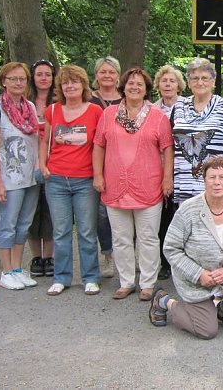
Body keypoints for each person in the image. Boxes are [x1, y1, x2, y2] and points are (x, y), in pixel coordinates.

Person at [149, 157, 223, 339]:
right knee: (207, 331)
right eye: (212, 177)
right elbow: (171, 248)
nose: (217, 182)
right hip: (194, 279)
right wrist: (198, 274)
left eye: (222, 177)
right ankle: (164, 301)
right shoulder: (188, 210)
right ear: (204, 181)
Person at [93, 68, 174, 301]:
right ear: (123, 86)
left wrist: (167, 178)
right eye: (130, 83)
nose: (135, 87)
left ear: (146, 88)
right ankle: (126, 281)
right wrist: (98, 175)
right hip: (115, 185)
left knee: (149, 237)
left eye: (139, 84)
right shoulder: (108, 114)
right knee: (121, 237)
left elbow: (167, 148)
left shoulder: (158, 115)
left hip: (148, 184)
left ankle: (147, 283)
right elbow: (99, 145)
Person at [39, 64, 104, 296]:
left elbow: (100, 145)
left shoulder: (95, 111)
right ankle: (61, 277)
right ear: (61, 87)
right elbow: (44, 139)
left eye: (74, 82)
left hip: (85, 180)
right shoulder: (53, 110)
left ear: (83, 85)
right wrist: (42, 165)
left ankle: (90, 277)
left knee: (87, 231)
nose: (70, 86)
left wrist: (99, 174)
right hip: (56, 179)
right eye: (65, 83)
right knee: (61, 231)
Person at [0, 62, 40, 290]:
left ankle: (18, 268)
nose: (18, 83)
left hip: (30, 176)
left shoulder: (29, 106)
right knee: (8, 224)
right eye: (13, 79)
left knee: (24, 224)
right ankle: (6, 271)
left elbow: (36, 139)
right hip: (9, 178)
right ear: (3, 82)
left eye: (22, 79)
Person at [171, 57, 223, 205]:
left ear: (213, 81)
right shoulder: (179, 106)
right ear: (188, 82)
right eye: (195, 78)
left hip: (217, 183)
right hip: (184, 182)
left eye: (205, 78)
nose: (200, 82)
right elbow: (169, 144)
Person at [152, 64, 186, 280]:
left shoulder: (188, 106)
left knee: (181, 216)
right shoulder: (152, 109)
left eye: (172, 81)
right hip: (158, 167)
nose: (167, 84)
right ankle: (165, 262)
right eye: (164, 81)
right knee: (163, 218)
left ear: (179, 85)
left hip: (183, 167)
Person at [90, 56, 122, 278]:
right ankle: (108, 255)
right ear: (96, 75)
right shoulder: (89, 100)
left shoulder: (127, 99)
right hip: (97, 160)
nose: (107, 76)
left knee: (128, 212)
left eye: (111, 72)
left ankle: (127, 255)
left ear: (118, 75)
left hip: (123, 163)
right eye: (103, 72)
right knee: (102, 214)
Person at [27, 60, 56, 278]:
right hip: (28, 164)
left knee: (52, 212)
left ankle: (49, 256)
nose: (44, 78)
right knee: (31, 211)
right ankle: (36, 256)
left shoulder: (59, 102)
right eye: (39, 74)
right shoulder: (25, 103)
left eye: (48, 74)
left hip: (53, 163)